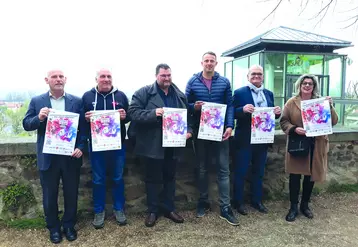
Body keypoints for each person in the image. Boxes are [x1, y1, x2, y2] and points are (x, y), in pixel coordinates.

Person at [23, 70, 85, 244]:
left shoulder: (76, 101)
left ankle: (69, 225)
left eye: (61, 77)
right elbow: (26, 124)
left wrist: (81, 146)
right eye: (54, 77)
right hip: (48, 156)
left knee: (71, 193)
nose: (58, 80)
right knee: (50, 195)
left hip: (70, 156)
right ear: (47, 80)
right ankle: (54, 228)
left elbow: (83, 128)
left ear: (65, 79)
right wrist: (39, 117)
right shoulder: (37, 101)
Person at [128, 63, 193, 227]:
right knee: (152, 179)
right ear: (157, 76)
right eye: (163, 75)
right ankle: (152, 211)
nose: (166, 78)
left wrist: (189, 131)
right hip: (152, 145)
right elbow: (133, 113)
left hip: (173, 144)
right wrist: (153, 113)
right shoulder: (143, 93)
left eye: (169, 75)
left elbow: (188, 117)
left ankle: (169, 209)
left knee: (170, 178)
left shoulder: (179, 95)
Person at [185, 51, 239, 226]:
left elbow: (230, 105)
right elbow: (185, 105)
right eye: (206, 61)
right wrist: (195, 107)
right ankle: (203, 201)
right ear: (201, 63)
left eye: (212, 61)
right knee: (202, 169)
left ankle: (225, 207)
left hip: (221, 131)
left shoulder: (224, 82)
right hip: (201, 132)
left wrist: (230, 126)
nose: (209, 63)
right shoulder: (192, 82)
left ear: (216, 64)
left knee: (224, 169)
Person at [280, 74, 338, 222]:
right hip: (298, 143)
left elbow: (333, 121)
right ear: (299, 85)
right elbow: (284, 121)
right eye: (304, 83)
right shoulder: (291, 102)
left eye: (310, 84)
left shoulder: (321, 102)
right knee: (295, 176)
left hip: (316, 144)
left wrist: (330, 106)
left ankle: (305, 205)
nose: (307, 86)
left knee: (310, 176)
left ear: (314, 86)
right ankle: (293, 207)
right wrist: (294, 129)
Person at [82, 69, 129, 228]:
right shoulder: (87, 96)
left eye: (109, 76)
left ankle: (119, 209)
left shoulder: (121, 95)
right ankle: (98, 211)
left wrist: (125, 116)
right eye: (103, 76)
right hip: (96, 147)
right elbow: (81, 120)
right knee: (98, 180)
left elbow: (129, 116)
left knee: (117, 178)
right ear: (96, 79)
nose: (106, 79)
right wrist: (86, 118)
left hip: (117, 146)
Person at [232, 65, 281, 215]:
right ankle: (238, 203)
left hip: (263, 139)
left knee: (259, 172)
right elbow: (231, 112)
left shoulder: (269, 94)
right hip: (245, 140)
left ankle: (257, 201)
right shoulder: (239, 92)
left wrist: (277, 113)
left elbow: (271, 115)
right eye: (253, 74)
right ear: (248, 76)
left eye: (259, 74)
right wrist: (242, 110)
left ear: (263, 77)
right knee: (240, 172)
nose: (256, 76)